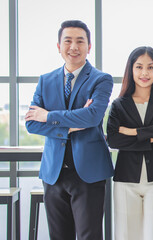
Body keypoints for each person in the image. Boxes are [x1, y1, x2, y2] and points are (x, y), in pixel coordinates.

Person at [25, 20, 114, 240]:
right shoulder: (45, 81)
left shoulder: (101, 80)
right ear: (59, 46)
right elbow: (31, 123)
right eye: (68, 41)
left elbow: (92, 116)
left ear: (89, 47)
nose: (73, 46)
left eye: (80, 41)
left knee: (89, 236)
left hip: (88, 172)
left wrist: (49, 116)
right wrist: (73, 125)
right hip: (54, 172)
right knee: (59, 236)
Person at [106, 46, 153, 240]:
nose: (144, 73)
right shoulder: (119, 103)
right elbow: (113, 139)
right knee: (126, 236)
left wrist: (132, 132)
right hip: (125, 181)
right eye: (139, 67)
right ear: (131, 70)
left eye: (150, 67)